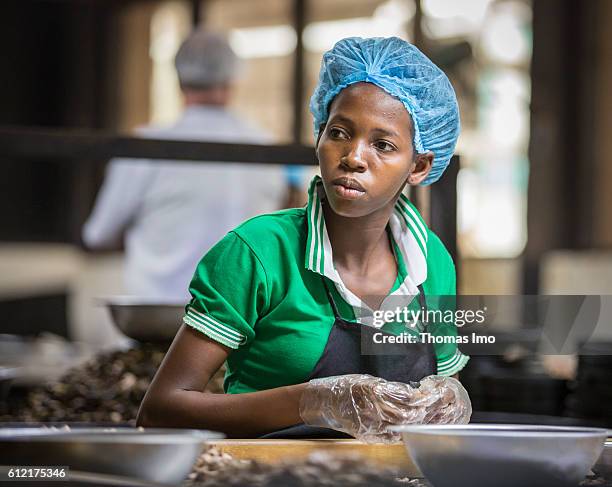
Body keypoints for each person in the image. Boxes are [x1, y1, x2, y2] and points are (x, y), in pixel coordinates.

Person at [137, 37, 471, 442]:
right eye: (339, 133)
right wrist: (313, 401)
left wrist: (446, 404)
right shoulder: (259, 252)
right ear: (319, 135)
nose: (353, 157)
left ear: (418, 166)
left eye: (382, 145)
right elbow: (161, 410)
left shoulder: (432, 263)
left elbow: (438, 399)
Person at [82, 30, 298, 300]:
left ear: (179, 80)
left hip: (158, 319)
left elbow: (98, 235)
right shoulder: (265, 148)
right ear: (233, 78)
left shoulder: (145, 146)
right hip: (239, 319)